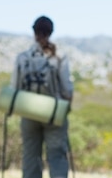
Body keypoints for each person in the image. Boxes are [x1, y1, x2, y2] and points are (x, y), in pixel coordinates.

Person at [11, 16, 73, 178]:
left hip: (29, 111)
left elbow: (15, 89)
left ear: (34, 32)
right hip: (54, 112)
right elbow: (67, 89)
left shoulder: (23, 58)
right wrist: (66, 108)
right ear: (51, 32)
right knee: (57, 155)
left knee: (31, 156)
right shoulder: (59, 57)